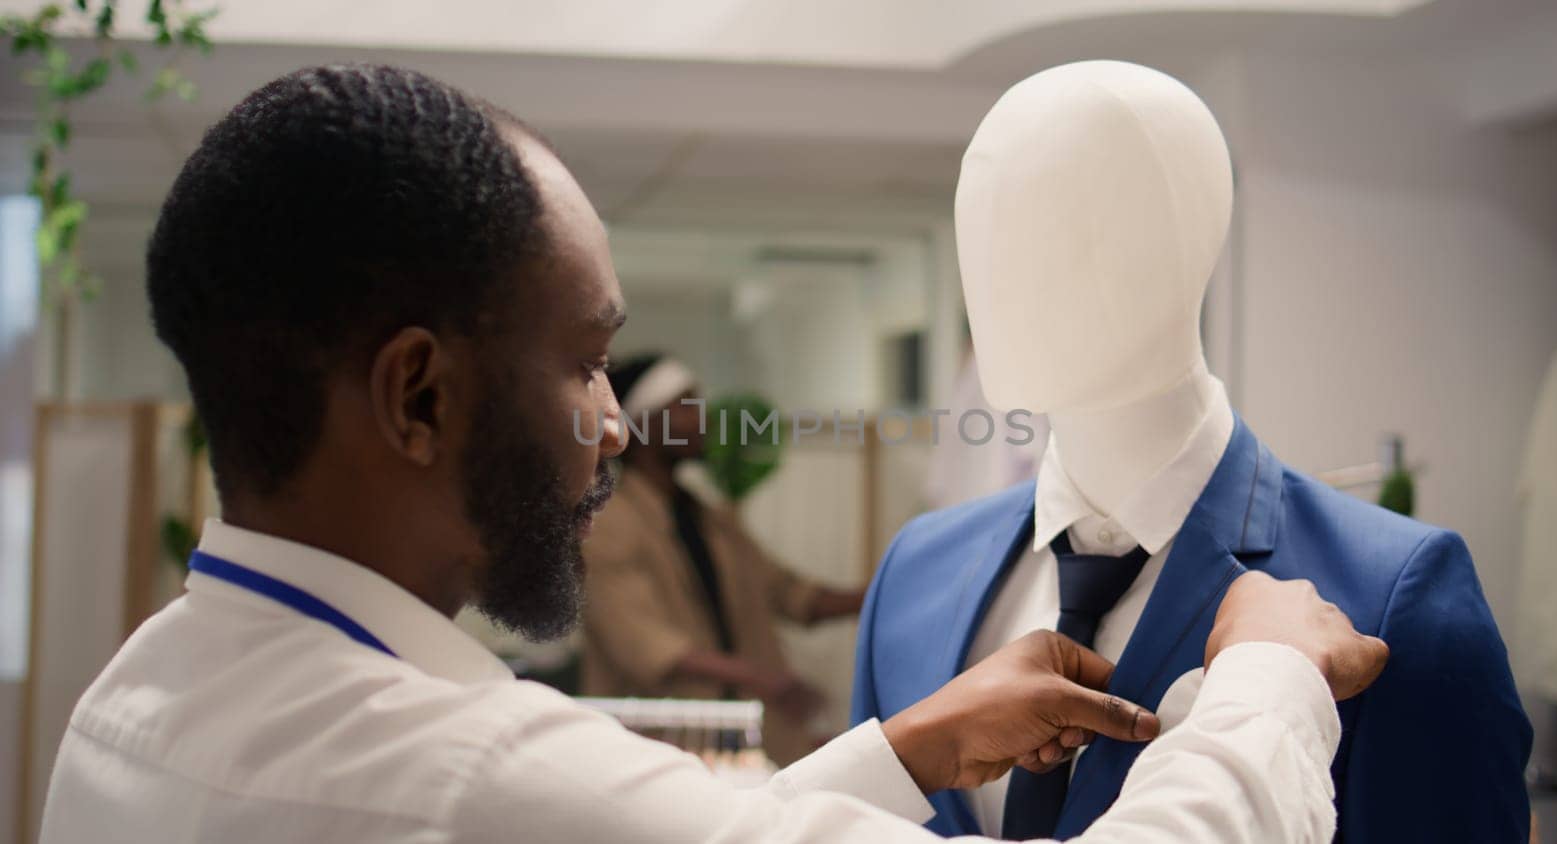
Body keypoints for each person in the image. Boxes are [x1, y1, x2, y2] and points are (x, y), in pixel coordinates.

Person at [37, 64, 1388, 843]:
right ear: (419, 396)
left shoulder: (127, 705)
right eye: (579, 362)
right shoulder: (470, 779)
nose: (616, 421)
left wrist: (893, 750)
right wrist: (1267, 683)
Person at [580, 353, 862, 764]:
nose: (703, 419)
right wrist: (763, 679)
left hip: (734, 742)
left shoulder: (707, 516)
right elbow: (646, 647)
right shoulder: (609, 525)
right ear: (644, 423)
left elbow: (791, 594)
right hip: (660, 746)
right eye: (685, 406)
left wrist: (885, 589)